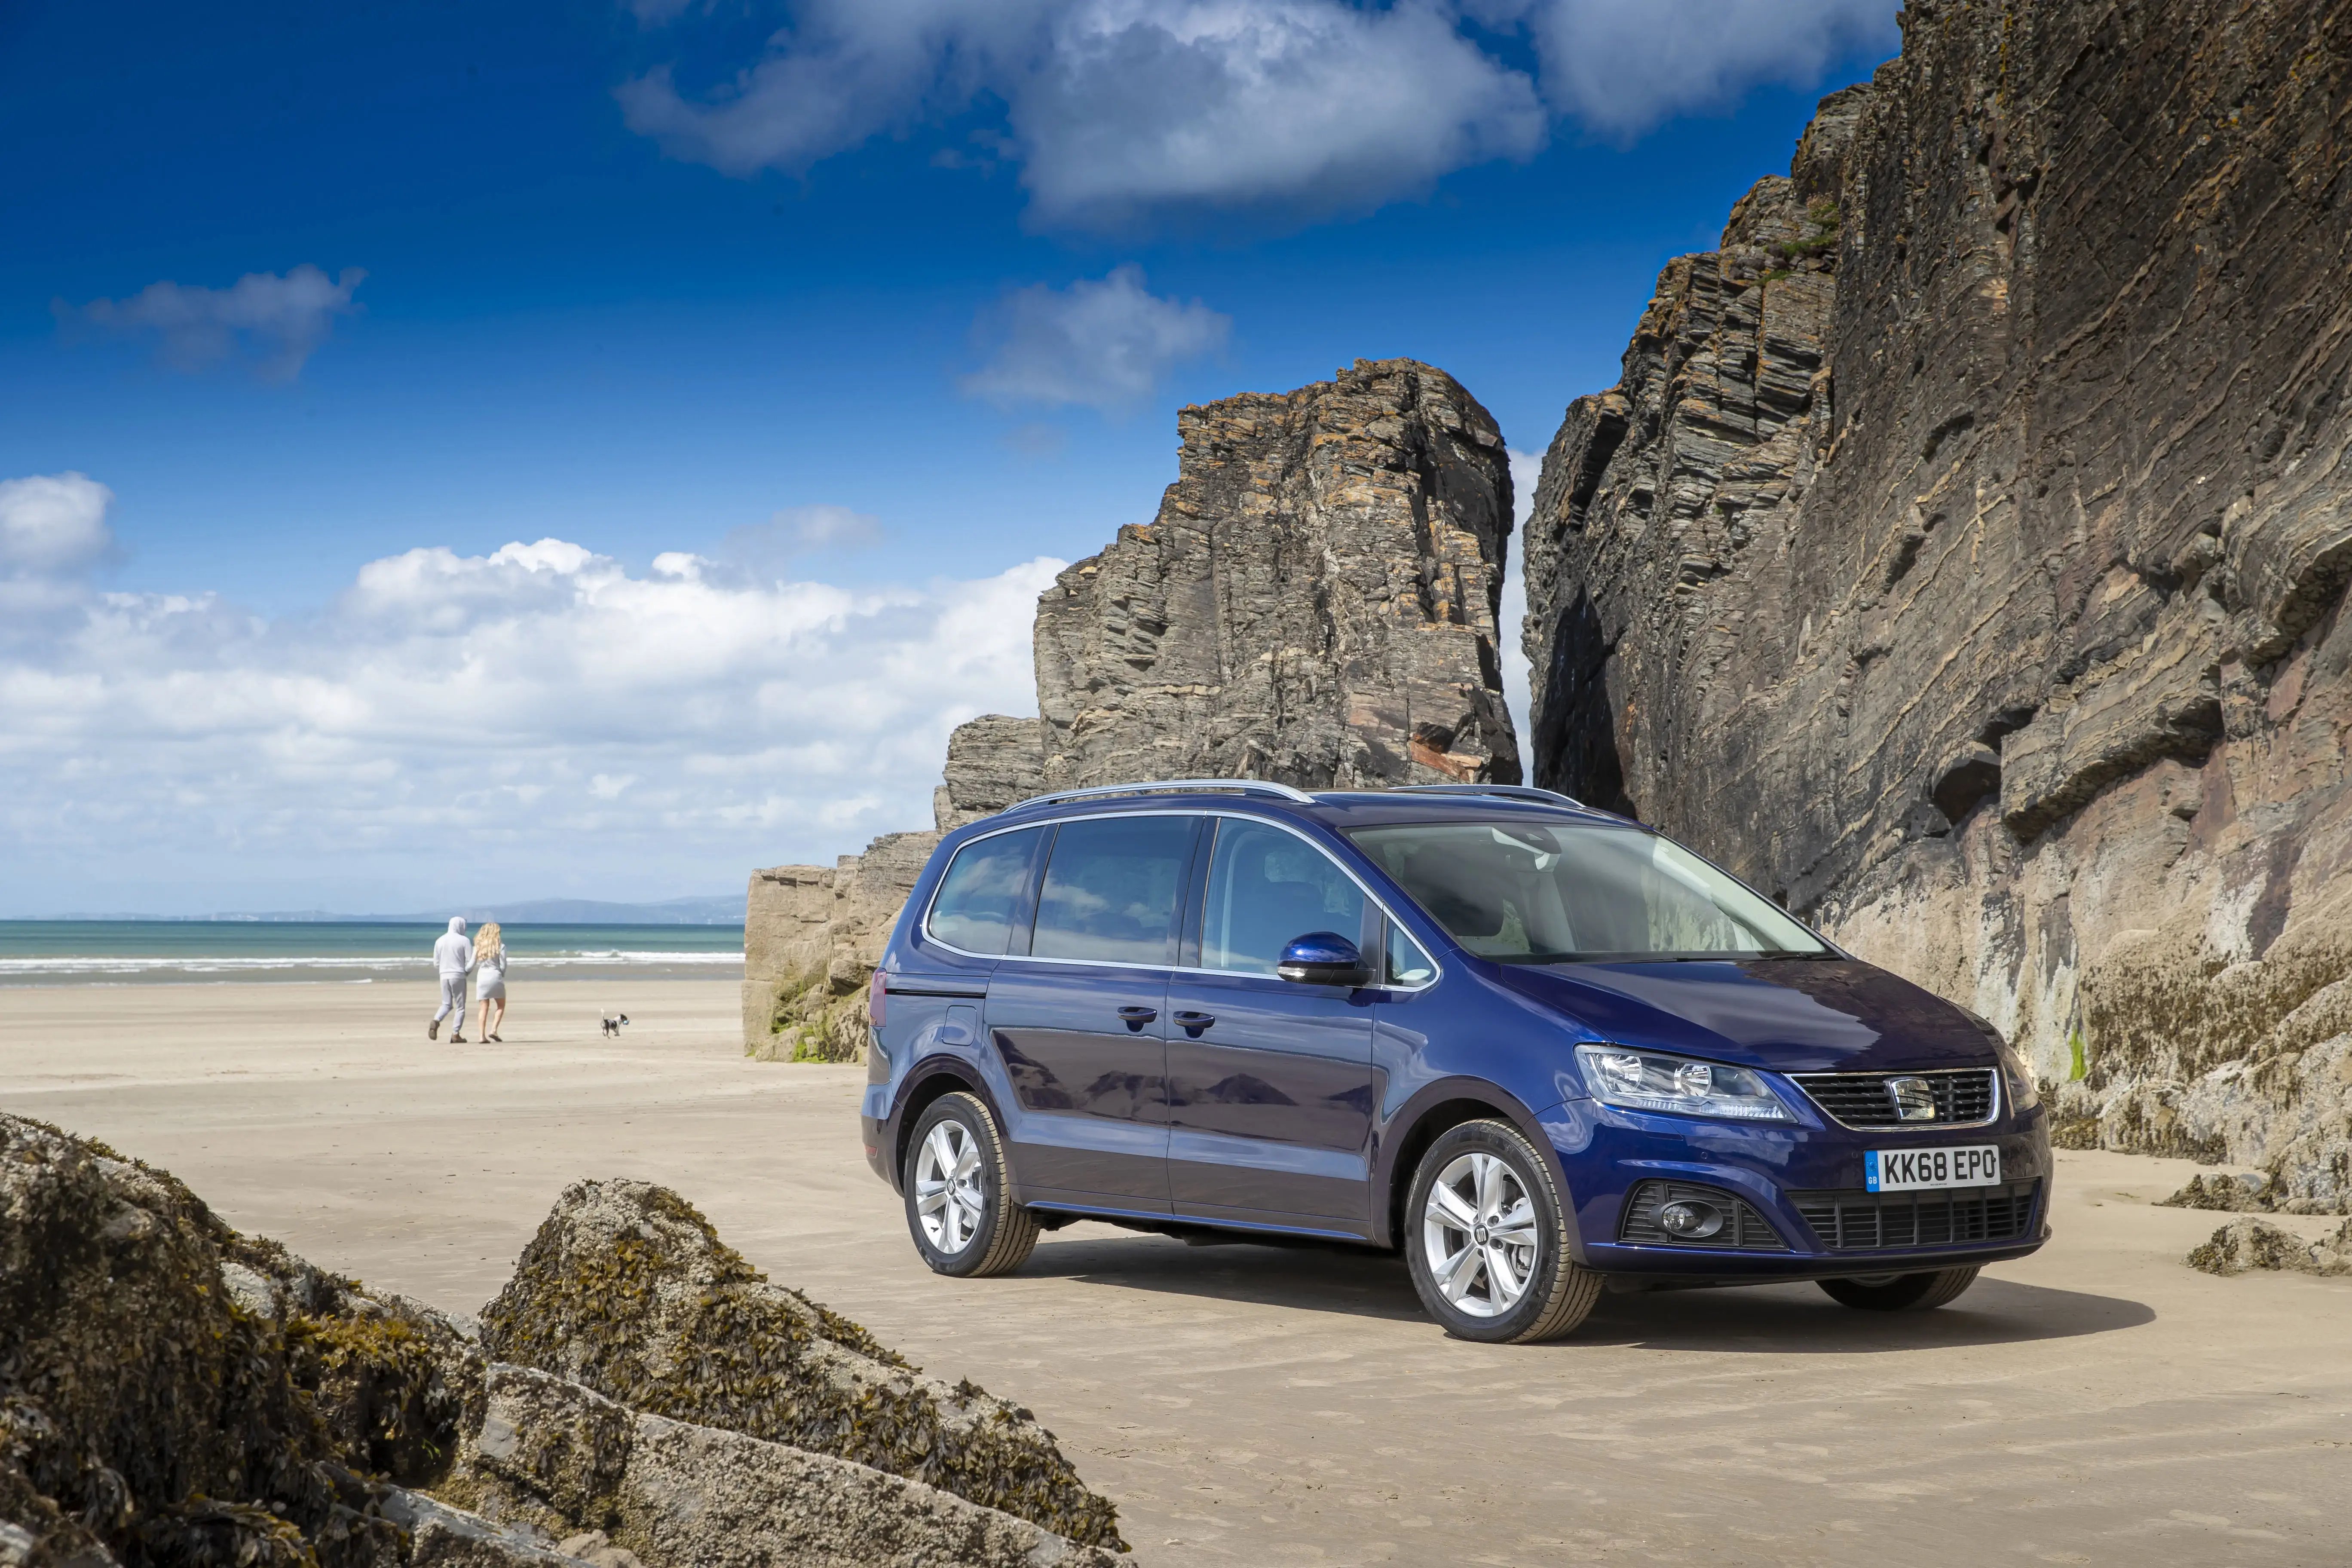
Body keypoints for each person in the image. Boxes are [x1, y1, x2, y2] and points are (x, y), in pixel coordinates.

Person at [429, 916, 474, 1041]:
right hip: (458, 975)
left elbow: (436, 964)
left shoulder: (439, 941)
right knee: (460, 1007)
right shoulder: (464, 941)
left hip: (444, 976)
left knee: (446, 1004)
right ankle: (455, 1034)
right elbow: (470, 962)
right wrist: (467, 972)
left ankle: (436, 1021)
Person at [474, 922, 509, 1042]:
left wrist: (465, 972)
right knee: (501, 1006)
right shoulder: (501, 946)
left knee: (483, 1007)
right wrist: (502, 975)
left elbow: (471, 964)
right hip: (495, 976)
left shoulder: (479, 946)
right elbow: (503, 965)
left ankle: (481, 1036)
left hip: (482, 978)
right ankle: (493, 1030)